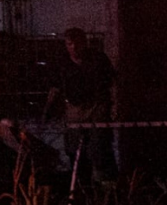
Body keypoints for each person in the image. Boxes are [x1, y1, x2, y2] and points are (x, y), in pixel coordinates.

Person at [44, 28, 117, 183]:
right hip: (74, 108)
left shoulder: (98, 59)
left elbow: (112, 82)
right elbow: (55, 87)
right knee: (74, 147)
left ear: (85, 43)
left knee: (99, 145)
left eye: (77, 43)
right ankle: (80, 182)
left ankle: (103, 182)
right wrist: (48, 109)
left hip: (97, 106)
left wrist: (114, 105)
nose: (74, 48)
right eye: (70, 44)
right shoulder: (62, 62)